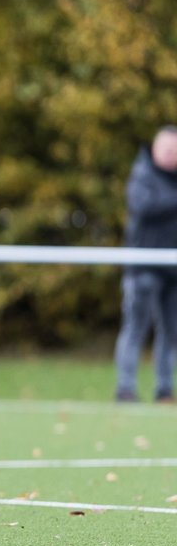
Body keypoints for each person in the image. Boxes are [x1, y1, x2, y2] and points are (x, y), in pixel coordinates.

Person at [114, 126, 177, 403]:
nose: (171, 155)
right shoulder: (142, 174)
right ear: (155, 148)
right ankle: (125, 388)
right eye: (167, 149)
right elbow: (144, 206)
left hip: (173, 270)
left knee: (171, 332)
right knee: (136, 327)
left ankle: (164, 389)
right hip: (143, 267)